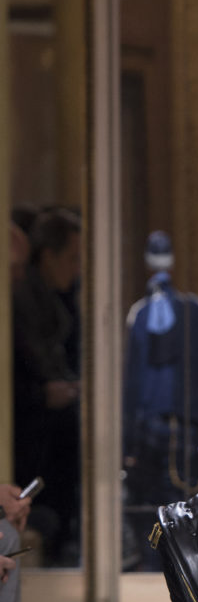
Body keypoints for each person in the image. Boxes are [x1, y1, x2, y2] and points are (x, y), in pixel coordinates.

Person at [122, 231, 198, 570]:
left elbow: (132, 383)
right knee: (181, 509)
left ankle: (155, 569)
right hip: (186, 427)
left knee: (152, 508)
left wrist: (127, 443)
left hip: (150, 428)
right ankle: (180, 575)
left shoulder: (140, 314)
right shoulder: (197, 312)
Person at [12, 207, 82, 563]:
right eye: (72, 259)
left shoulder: (54, 303)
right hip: (29, 446)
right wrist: (43, 395)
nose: (78, 269)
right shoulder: (22, 303)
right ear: (48, 256)